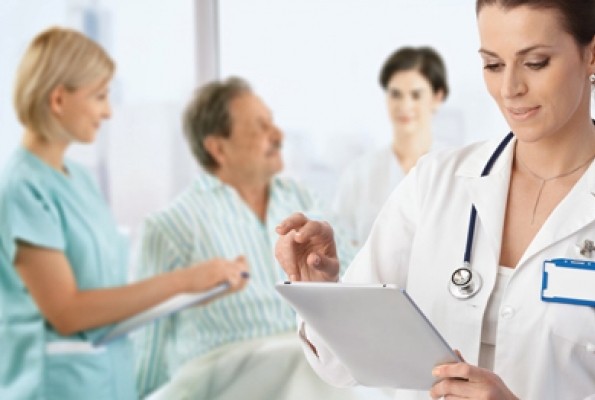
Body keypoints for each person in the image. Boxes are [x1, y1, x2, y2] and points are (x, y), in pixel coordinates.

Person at [275, 1, 595, 399]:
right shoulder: (435, 183)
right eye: (493, 65)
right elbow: (342, 365)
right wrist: (320, 291)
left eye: (534, 62)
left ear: (594, 53)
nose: (510, 88)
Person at [0, 27, 249, 400]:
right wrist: (183, 280)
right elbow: (68, 311)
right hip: (53, 387)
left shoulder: (80, 180)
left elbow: (108, 299)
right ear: (57, 99)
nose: (108, 111)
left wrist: (194, 293)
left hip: (109, 383)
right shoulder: (23, 188)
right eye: (99, 96)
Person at [133, 77, 392, 400]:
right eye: (260, 126)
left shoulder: (306, 204)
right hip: (222, 379)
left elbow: (358, 288)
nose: (278, 134)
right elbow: (146, 351)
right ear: (218, 148)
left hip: (305, 372)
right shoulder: (171, 228)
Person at [331, 46, 449, 247]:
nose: (404, 105)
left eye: (416, 95)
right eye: (395, 94)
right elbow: (340, 245)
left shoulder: (453, 170)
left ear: (437, 97)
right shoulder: (359, 174)